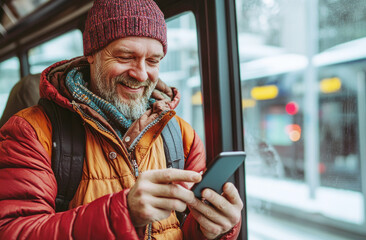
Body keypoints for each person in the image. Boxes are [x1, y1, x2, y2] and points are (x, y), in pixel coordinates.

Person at [0, 0, 243, 239]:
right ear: (92, 54)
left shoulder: (179, 134)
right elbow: (12, 231)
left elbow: (184, 228)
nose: (140, 74)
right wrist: (123, 214)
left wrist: (214, 230)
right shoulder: (31, 131)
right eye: (126, 56)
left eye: (153, 61)